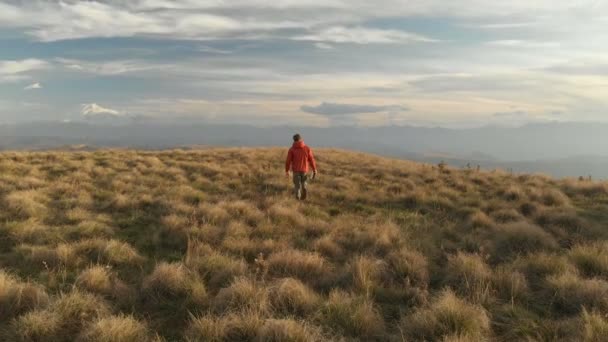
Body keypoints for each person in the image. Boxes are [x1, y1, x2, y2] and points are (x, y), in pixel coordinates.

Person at [285, 134, 317, 200]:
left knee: (297, 186)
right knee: (304, 184)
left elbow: (288, 161)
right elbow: (311, 160)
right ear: (301, 139)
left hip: (296, 170)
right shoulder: (307, 148)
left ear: (294, 140)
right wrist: (314, 169)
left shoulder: (291, 149)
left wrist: (287, 170)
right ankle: (304, 193)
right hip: (304, 170)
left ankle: (298, 199)